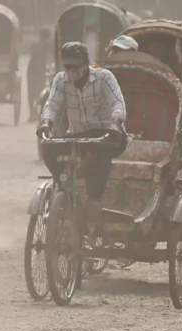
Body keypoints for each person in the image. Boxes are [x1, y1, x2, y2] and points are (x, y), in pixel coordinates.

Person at [37, 42, 127, 218]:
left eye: (76, 67)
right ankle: (63, 187)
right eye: (68, 67)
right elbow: (52, 104)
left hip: (108, 134)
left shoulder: (104, 78)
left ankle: (94, 197)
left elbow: (118, 102)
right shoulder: (60, 80)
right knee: (47, 148)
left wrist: (116, 122)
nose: (72, 73)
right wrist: (46, 122)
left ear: (87, 63)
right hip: (78, 137)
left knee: (101, 149)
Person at [27, 28, 52, 122]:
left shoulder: (34, 45)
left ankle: (32, 114)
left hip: (31, 70)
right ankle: (41, 114)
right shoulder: (48, 45)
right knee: (40, 92)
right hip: (40, 71)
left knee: (31, 93)